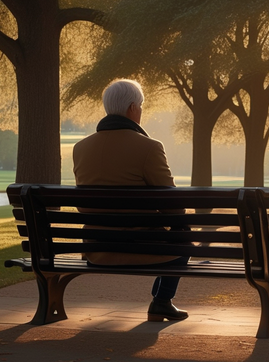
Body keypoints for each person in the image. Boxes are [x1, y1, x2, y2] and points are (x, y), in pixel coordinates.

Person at [73, 78, 188, 322]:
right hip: (141, 247)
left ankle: (162, 302)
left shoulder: (80, 148)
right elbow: (174, 207)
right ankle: (162, 300)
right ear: (132, 108)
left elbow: (84, 205)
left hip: (96, 248)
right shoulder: (149, 147)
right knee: (183, 233)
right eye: (142, 106)